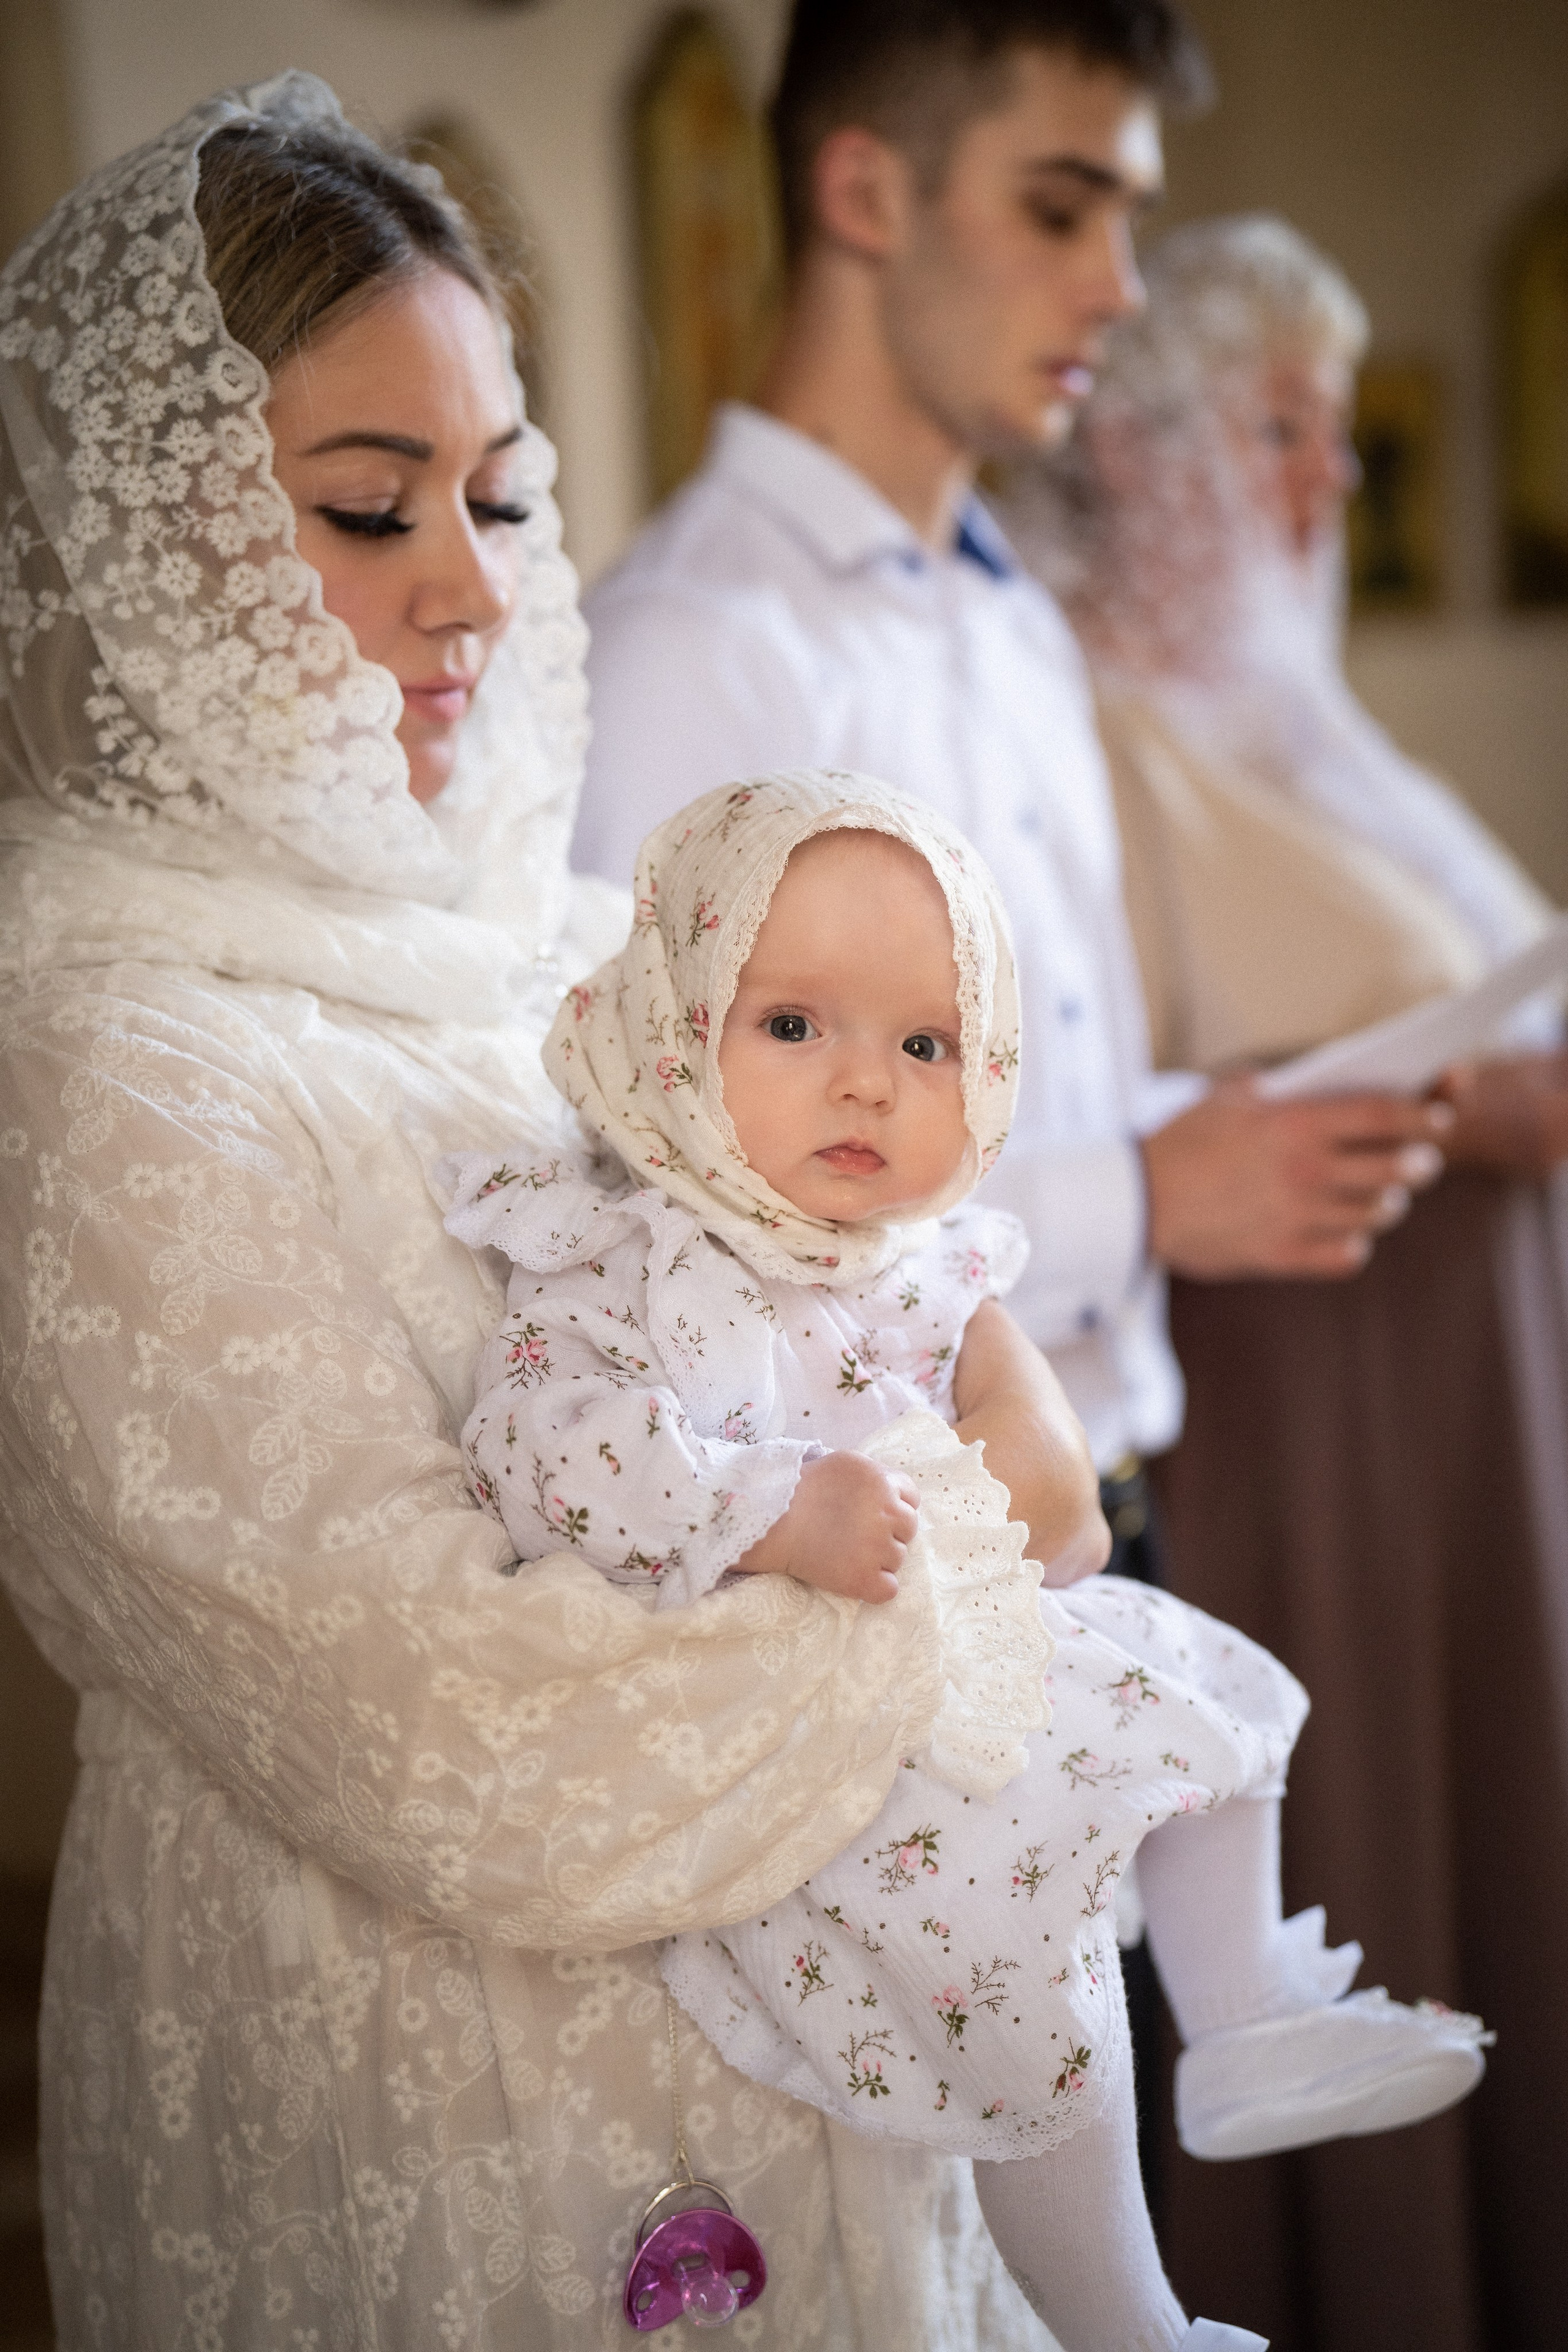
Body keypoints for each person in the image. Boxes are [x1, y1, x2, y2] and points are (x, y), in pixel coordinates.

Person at [0, 74, 1092, 2351]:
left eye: (499, 495)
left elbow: (873, 1274)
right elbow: (440, 1709)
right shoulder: (107, 1070)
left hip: (825, 2095)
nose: (475, 590)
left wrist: (987, 1374)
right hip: (427, 2143)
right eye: (370, 506)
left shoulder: (588, 949)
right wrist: (956, 1599)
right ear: (150, 543)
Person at [446, 767, 1490, 2352]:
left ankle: (1242, 2010)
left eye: (926, 1045)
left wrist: (999, 1470)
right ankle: (1131, 2325)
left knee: (1201, 1692)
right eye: (793, 1027)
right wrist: (775, 1509)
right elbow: (547, 1453)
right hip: (810, 1746)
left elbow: (1047, 1512)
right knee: (1036, 1998)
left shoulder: (928, 1273)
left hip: (965, 1673)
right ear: (673, 1027)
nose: (866, 1086)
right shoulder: (623, 1251)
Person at [575, 0, 1453, 1531]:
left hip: (1119, 1491)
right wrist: (1141, 1192)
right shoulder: (691, 648)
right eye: (1057, 210)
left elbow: (1031, 1070)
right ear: (863, 196)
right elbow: (653, 1183)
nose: (1114, 289)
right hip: (884, 1548)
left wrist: (1250, 1133)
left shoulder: (1016, 624)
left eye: (1125, 222)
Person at [1000, 213, 1568, 2352]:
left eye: (1334, 435)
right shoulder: (1076, 715)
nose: (1335, 482)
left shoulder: (1299, 710)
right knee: (1358, 1837)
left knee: (1499, 1827)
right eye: (1285, 430)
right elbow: (1098, 1073)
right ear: (1142, 447)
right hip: (1307, 1397)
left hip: (1462, 1395)